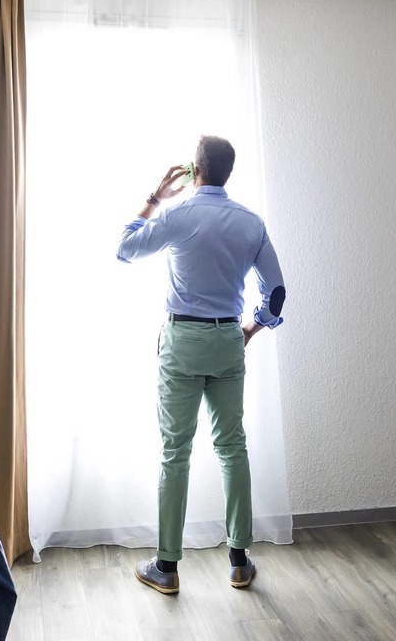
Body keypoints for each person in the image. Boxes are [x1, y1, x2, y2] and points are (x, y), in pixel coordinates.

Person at [116, 135, 286, 594]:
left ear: (196, 169)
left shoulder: (178, 214)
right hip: (228, 339)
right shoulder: (251, 223)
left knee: (176, 452)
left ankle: (167, 567)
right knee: (233, 447)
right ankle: (239, 561)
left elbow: (125, 248)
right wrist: (252, 328)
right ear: (228, 172)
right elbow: (276, 293)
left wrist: (156, 197)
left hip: (183, 343)